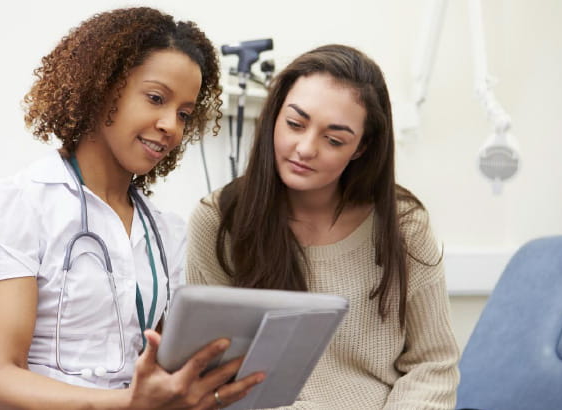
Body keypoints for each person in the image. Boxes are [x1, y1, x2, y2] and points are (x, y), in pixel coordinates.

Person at [0, 7, 264, 409]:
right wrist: (129, 403)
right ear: (102, 88)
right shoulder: (21, 206)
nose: (171, 126)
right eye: (156, 98)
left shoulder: (164, 233)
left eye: (184, 114)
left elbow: (159, 365)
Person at [186, 44, 460, 409]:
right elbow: (210, 373)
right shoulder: (219, 220)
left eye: (333, 140)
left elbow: (433, 364)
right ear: (274, 116)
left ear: (361, 148)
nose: (305, 148)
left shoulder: (403, 224)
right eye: (295, 124)